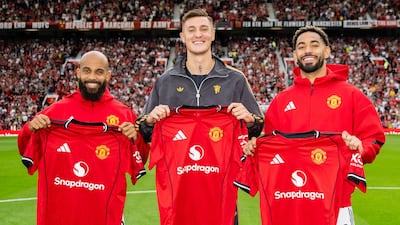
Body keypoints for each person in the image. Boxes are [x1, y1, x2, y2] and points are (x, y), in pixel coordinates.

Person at [244, 25, 385, 225]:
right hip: (288, 200)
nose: (307, 50)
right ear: (294, 54)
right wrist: (253, 148)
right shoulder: (281, 101)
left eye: (314, 45)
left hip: (336, 205)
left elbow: (374, 138)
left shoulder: (352, 95)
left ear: (327, 51)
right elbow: (269, 144)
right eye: (301, 46)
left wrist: (360, 148)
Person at [135, 8, 264, 225]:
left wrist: (249, 119)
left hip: (221, 198)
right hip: (178, 200)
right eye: (191, 30)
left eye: (204, 29)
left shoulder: (235, 79)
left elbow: (257, 127)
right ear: (183, 37)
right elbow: (145, 131)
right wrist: (149, 121)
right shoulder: (165, 82)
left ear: (213, 34)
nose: (198, 35)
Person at [17, 50, 149, 225]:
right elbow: (25, 149)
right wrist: (29, 129)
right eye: (87, 71)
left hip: (105, 217)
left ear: (108, 76)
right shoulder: (54, 112)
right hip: (59, 218)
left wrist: (136, 138)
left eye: (99, 72)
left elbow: (140, 158)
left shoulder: (125, 115)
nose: (92, 77)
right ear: (78, 73)